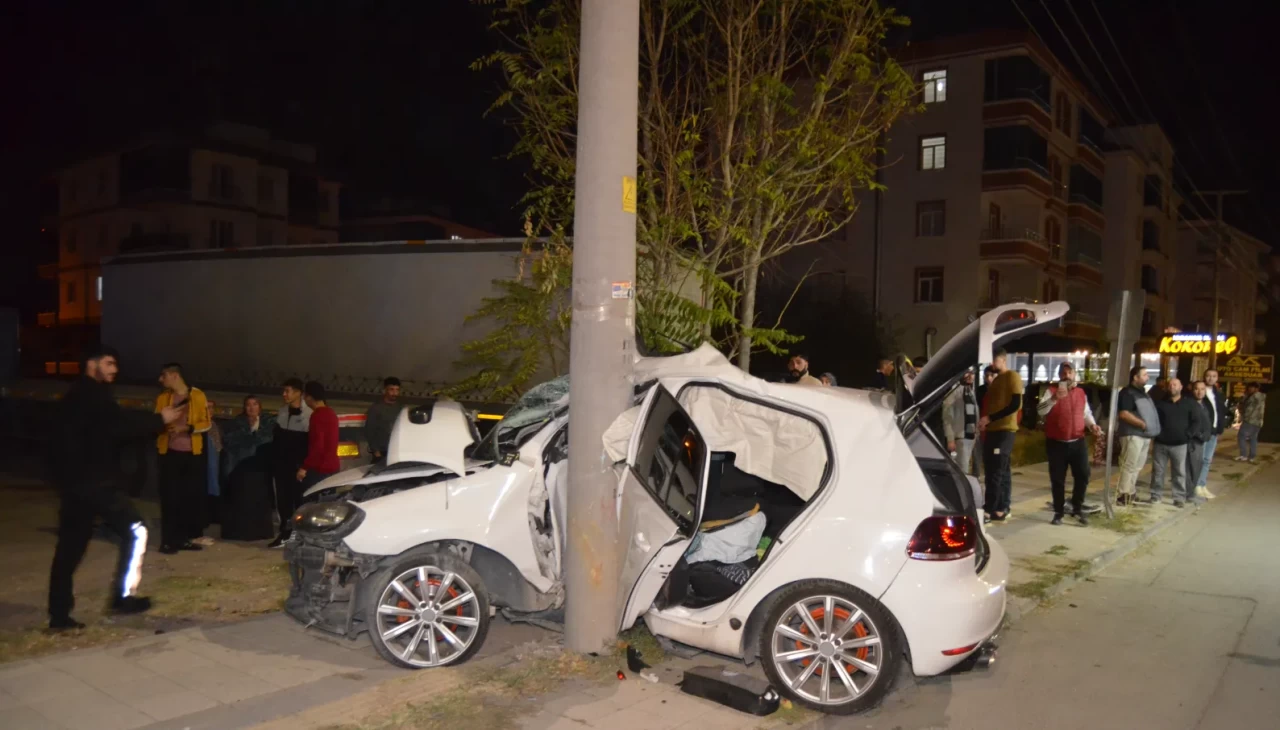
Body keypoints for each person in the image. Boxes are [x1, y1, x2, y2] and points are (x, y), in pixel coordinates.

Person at [48, 345, 182, 629]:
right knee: (137, 531)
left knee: (69, 548)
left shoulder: (74, 397)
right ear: (92, 364)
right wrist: (159, 419)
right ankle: (122, 598)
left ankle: (58, 615)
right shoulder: (93, 397)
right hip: (96, 483)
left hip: (75, 485)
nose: (114, 370)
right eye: (109, 364)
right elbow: (119, 425)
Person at [155, 363, 212, 554]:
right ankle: (168, 541)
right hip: (169, 453)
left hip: (192, 454)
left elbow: (206, 423)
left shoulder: (197, 395)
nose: (161, 380)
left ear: (175, 376)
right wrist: (166, 426)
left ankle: (183, 539)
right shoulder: (163, 398)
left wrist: (186, 428)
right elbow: (155, 422)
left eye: (164, 375)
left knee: (188, 498)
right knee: (170, 498)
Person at [1037, 362, 1101, 526]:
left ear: (1074, 374)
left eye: (1070, 372)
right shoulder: (1051, 391)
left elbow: (1086, 413)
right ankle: (1058, 512)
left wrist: (1092, 425)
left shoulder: (1080, 393)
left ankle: (1077, 508)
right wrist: (1054, 399)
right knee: (1058, 479)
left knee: (1083, 475)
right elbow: (1041, 410)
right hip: (1056, 443)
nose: (1067, 376)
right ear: (1059, 375)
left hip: (1077, 441)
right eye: (1064, 373)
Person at [221, 395, 276, 541]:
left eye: (255, 404)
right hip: (241, 465)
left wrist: (254, 433)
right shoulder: (237, 422)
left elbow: (268, 439)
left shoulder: (268, 421)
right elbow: (230, 440)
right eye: (248, 405)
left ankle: (260, 531)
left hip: (260, 466)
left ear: (260, 406)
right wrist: (251, 433)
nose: (251, 408)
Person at [977, 348, 1022, 522]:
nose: (991, 364)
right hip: (993, 430)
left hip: (1005, 430)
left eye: (994, 360)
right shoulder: (996, 380)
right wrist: (986, 421)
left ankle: (990, 509)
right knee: (998, 469)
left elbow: (1015, 404)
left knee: (996, 470)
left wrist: (990, 418)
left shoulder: (1012, 377)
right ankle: (1002, 507)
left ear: (1003, 360)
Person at [269, 378, 312, 548]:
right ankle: (285, 533)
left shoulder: (308, 414)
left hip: (298, 466)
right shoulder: (282, 412)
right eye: (284, 391)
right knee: (283, 500)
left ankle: (300, 534)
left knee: (299, 500)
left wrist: (303, 466)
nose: (284, 394)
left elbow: (309, 443)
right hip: (282, 465)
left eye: (287, 391)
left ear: (298, 393)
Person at [1149, 378, 1202, 507]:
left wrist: (1188, 435)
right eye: (1170, 384)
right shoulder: (1160, 404)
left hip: (1180, 444)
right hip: (1161, 443)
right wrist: (1155, 435)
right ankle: (1156, 495)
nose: (1172, 386)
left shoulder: (1189, 404)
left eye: (1175, 384)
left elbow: (1196, 421)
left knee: (1179, 472)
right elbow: (1154, 420)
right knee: (1158, 471)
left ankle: (1179, 498)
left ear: (1181, 387)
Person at [1115, 366, 1159, 506]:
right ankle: (1123, 495)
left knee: (1137, 466)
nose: (1147, 377)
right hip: (1132, 435)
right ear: (1135, 377)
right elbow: (1124, 414)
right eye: (1145, 375)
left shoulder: (1142, 393)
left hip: (1144, 435)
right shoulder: (1127, 393)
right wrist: (1142, 424)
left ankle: (1130, 493)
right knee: (1129, 465)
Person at [297, 382, 340, 493]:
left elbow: (317, 445)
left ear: (310, 397)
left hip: (320, 469)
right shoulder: (331, 413)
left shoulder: (317, 415)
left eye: (305, 396)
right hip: (333, 467)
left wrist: (304, 467)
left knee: (311, 500)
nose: (304, 399)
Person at [1197, 368, 1229, 498]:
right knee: (1199, 459)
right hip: (1203, 431)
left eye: (1214, 376)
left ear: (1217, 378)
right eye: (1208, 375)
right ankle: (1196, 485)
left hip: (1214, 431)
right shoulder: (1199, 391)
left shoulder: (1218, 393)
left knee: (1207, 460)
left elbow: (1221, 410)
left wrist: (1222, 425)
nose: (1211, 378)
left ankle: (1202, 484)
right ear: (1204, 377)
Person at [943, 368, 980, 476]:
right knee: (962, 469)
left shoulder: (970, 391)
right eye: (967, 372)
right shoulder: (954, 392)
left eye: (973, 373)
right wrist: (950, 438)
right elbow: (947, 417)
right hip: (960, 437)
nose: (970, 376)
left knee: (968, 468)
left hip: (972, 436)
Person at [364, 376, 404, 463]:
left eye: (397, 390)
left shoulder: (401, 408)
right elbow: (370, 430)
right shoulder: (376, 408)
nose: (394, 393)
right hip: (381, 453)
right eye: (391, 389)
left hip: (396, 451)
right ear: (385, 390)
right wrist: (376, 452)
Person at [1188, 381, 1214, 503]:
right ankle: (1189, 494)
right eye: (1197, 389)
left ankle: (1192, 493)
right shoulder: (1190, 404)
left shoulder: (1204, 404)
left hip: (1202, 440)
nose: (1200, 392)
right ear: (1192, 390)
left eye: (1202, 389)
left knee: (1198, 466)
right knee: (1191, 468)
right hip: (1194, 441)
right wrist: (1199, 435)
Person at [1236, 382, 1266, 463]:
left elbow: (1247, 410)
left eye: (1250, 387)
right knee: (1253, 438)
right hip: (1258, 421)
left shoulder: (1253, 397)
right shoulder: (1261, 397)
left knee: (1241, 436)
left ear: (1256, 388)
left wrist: (1242, 412)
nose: (1249, 389)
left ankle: (1243, 455)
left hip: (1249, 420)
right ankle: (1252, 456)